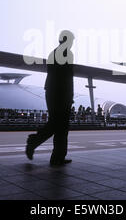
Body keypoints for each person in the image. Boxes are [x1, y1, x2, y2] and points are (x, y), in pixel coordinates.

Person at [26, 30, 74, 166]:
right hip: (61, 94)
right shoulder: (67, 54)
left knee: (58, 125)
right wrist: (69, 96)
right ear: (67, 40)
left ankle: (56, 157)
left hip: (52, 92)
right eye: (71, 41)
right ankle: (36, 143)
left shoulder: (52, 53)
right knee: (60, 126)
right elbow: (67, 78)